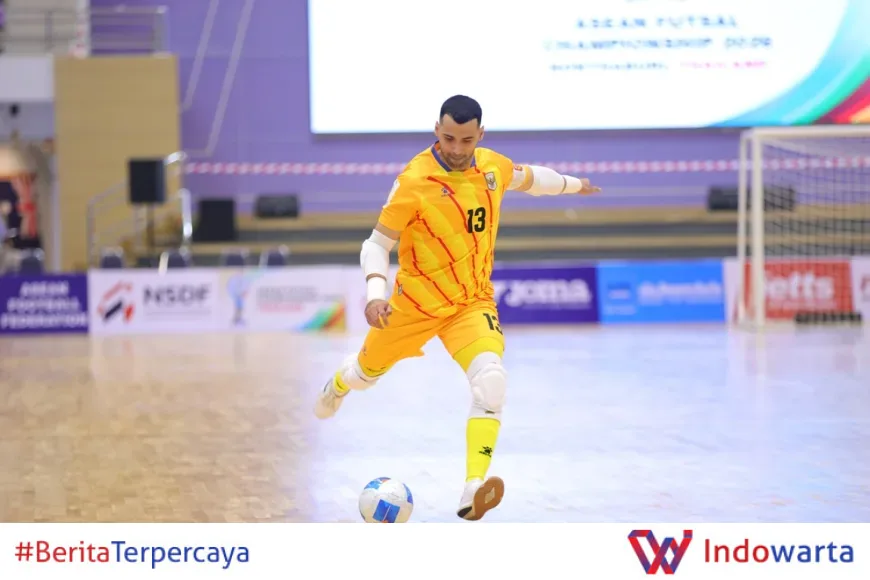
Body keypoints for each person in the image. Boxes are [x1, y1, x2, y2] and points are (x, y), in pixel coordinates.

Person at [314, 95, 601, 521]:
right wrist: (375, 294)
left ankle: (473, 488)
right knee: (364, 376)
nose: (456, 148)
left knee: (491, 382)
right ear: (437, 130)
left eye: (466, 140)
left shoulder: (492, 167)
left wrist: (575, 185)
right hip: (413, 306)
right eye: (448, 138)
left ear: (480, 135)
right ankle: (340, 382)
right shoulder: (413, 181)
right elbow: (376, 244)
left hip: (470, 303)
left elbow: (531, 179)